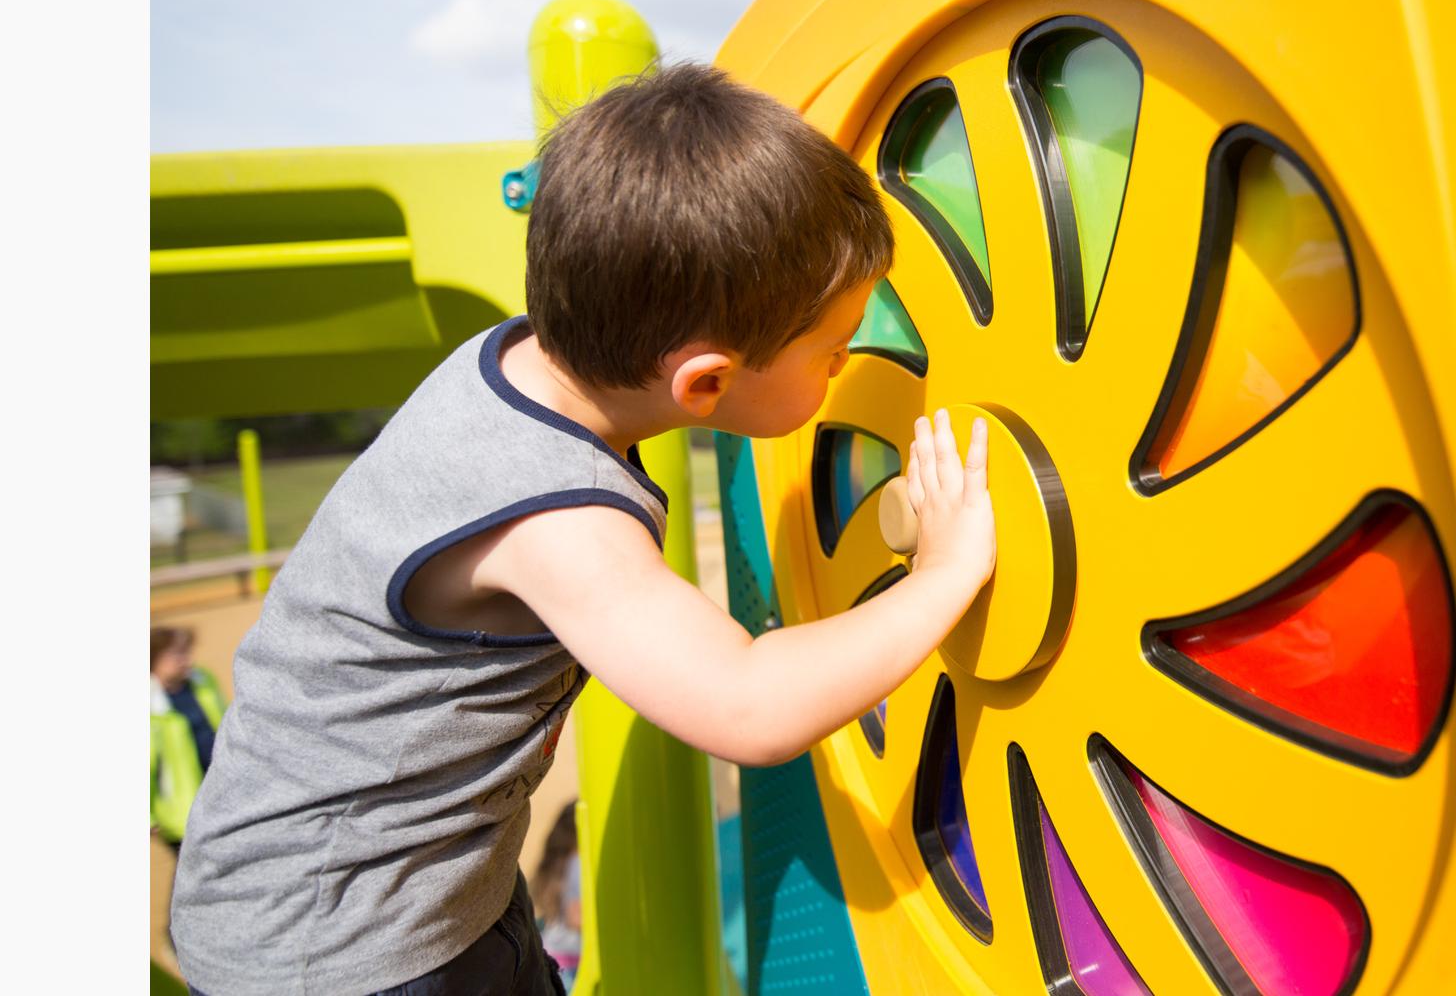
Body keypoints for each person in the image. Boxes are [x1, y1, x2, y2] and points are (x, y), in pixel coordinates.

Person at [169, 63, 998, 996]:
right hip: (339, 952)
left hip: (423, 890)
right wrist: (944, 575)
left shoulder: (521, 357)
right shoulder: (555, 519)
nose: (844, 368)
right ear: (705, 383)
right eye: (834, 352)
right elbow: (749, 707)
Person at [150, 625, 226, 850]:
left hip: (222, 793)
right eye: (177, 655)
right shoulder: (150, 705)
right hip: (182, 811)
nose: (187, 660)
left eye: (186, 652)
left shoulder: (203, 682)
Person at [530, 802, 583, 991]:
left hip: (552, 956)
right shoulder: (578, 862)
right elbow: (576, 917)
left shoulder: (558, 863)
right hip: (571, 964)